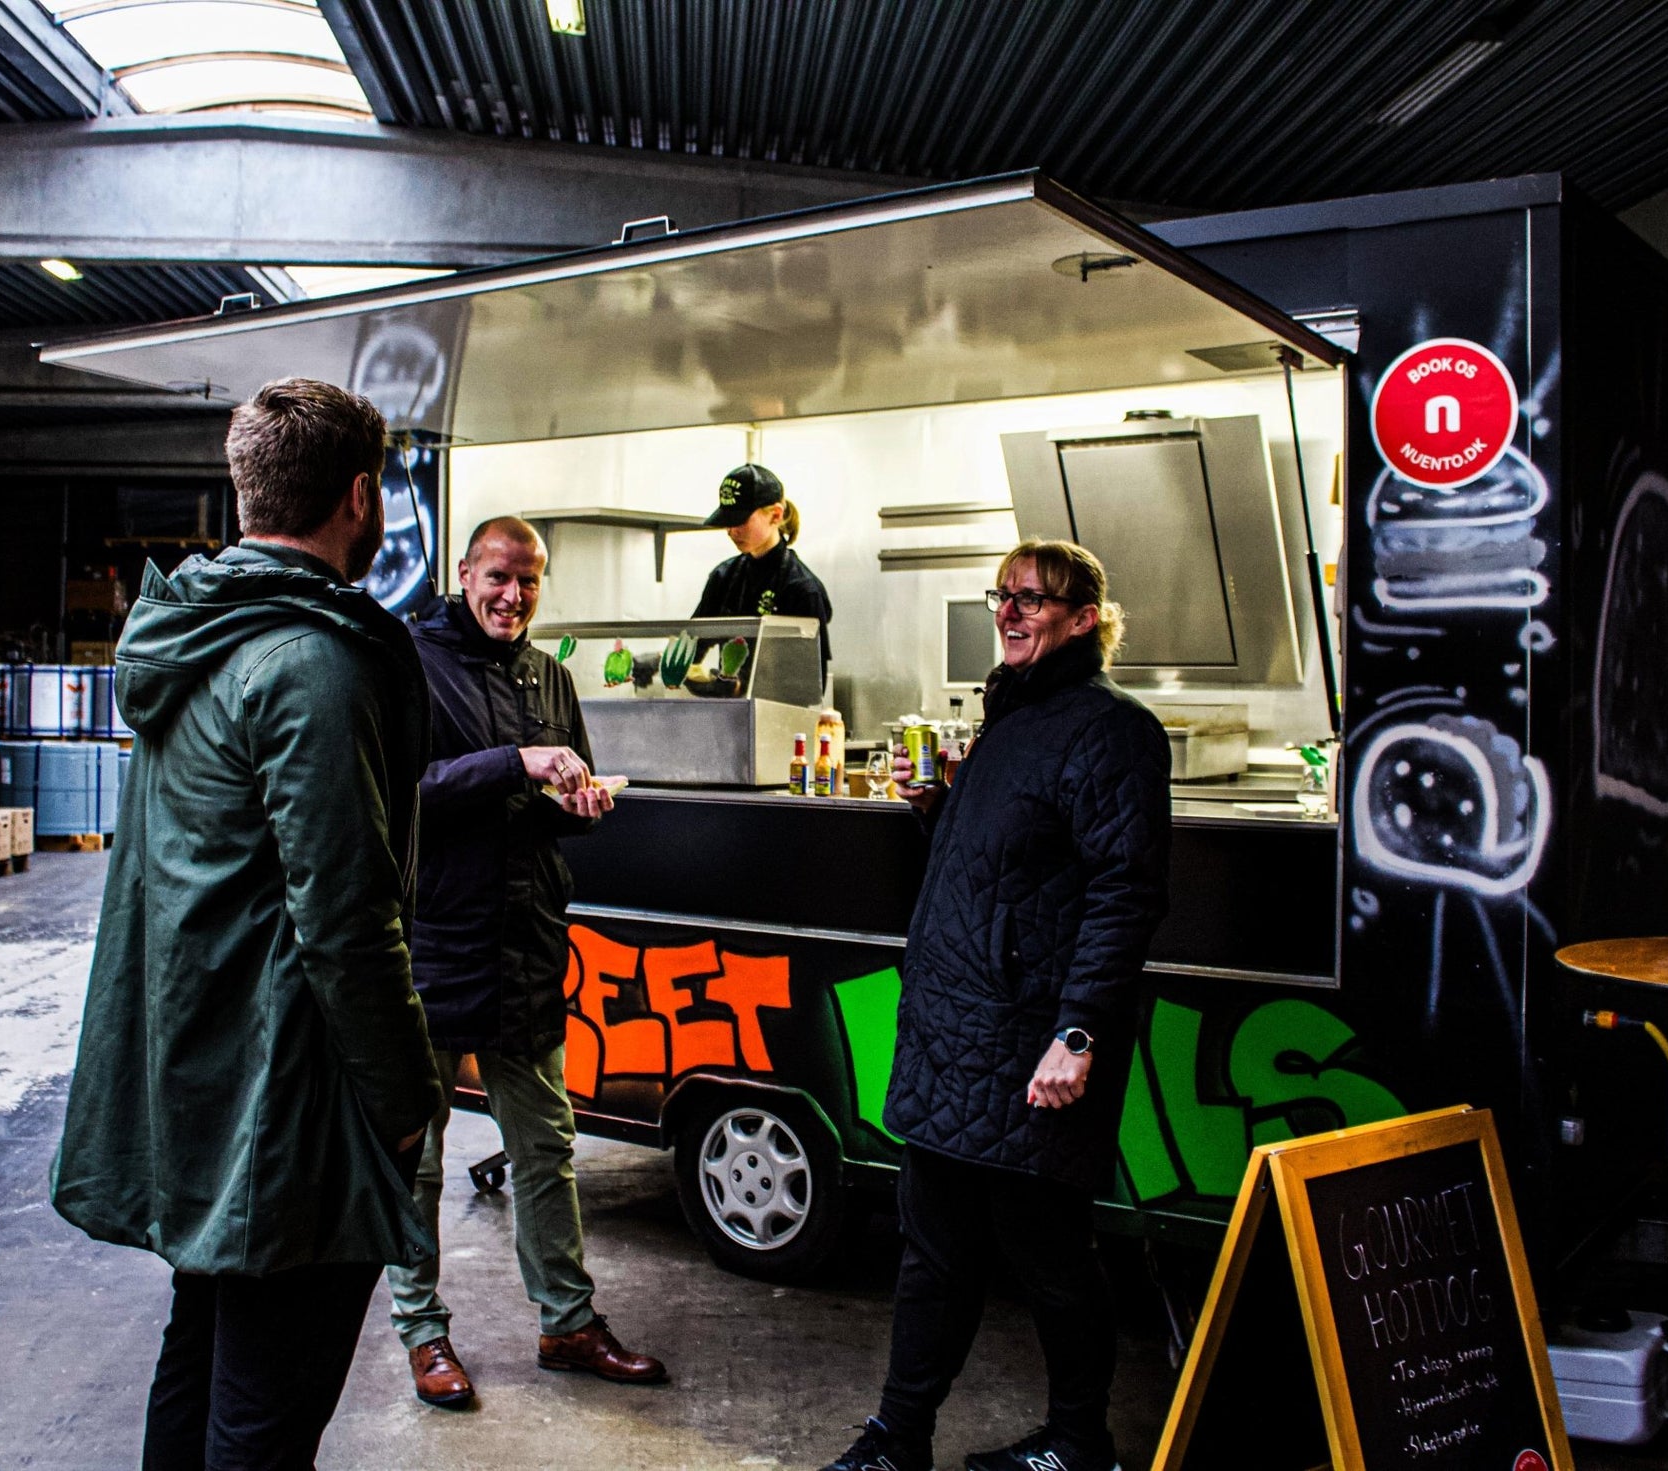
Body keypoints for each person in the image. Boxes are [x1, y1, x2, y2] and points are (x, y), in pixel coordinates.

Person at [50, 378, 444, 1469]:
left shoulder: (195, 632)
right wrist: (405, 1100)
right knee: (265, 1417)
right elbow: (348, 918)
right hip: (287, 1107)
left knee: (205, 1350)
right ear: (360, 496)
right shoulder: (309, 660)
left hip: (203, 1080)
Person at [822, 539, 1171, 1471]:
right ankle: (899, 1438)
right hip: (954, 1035)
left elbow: (1123, 892)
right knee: (930, 1248)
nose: (1010, 612)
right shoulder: (1007, 718)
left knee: (1050, 1253)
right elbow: (1017, 871)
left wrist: (1078, 1032)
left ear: (1084, 619)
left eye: (1033, 599)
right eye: (1003, 596)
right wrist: (941, 806)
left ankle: (1078, 1440)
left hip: (1029, 1044)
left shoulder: (1111, 728)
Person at [389, 514, 666, 1408]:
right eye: (500, 576)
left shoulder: (549, 673)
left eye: (531, 582)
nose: (514, 596)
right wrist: (513, 760)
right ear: (464, 571)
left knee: (546, 1145)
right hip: (434, 942)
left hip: (526, 945)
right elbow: (403, 798)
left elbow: (547, 793)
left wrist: (575, 801)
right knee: (417, 1157)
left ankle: (568, 1322)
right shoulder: (408, 664)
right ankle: (423, 1331)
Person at [692, 461, 832, 682]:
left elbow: (811, 684)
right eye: (727, 522)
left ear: (775, 515)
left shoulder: (801, 588)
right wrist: (656, 665)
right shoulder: (723, 577)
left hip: (780, 715)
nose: (731, 530)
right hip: (729, 714)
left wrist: (738, 688)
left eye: (740, 521)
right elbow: (692, 646)